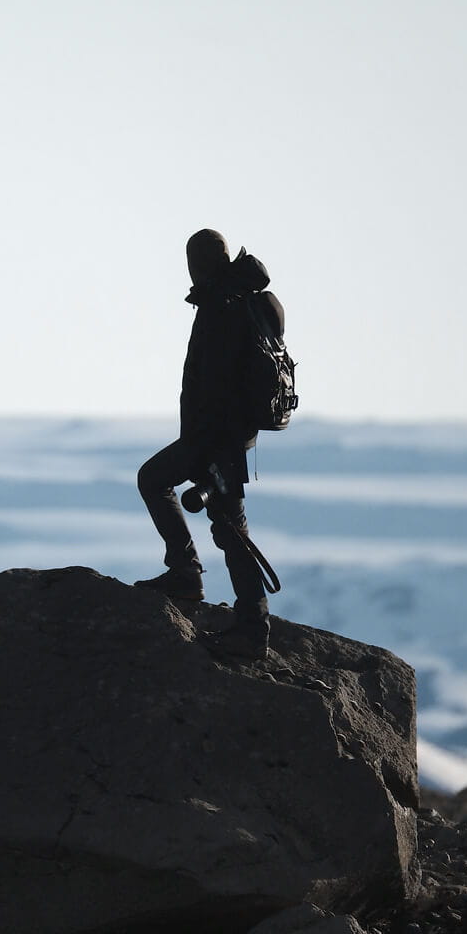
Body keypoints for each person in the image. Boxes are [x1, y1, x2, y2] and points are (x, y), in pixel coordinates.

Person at [136, 228, 283, 658]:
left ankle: (206, 590)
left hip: (216, 439)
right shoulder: (248, 301)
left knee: (164, 485)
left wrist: (205, 450)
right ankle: (238, 612)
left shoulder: (224, 307)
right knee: (230, 526)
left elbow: (215, 387)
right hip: (232, 438)